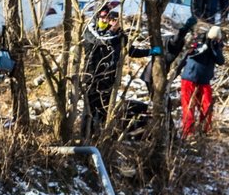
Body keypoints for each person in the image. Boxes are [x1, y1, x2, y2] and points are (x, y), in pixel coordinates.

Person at [82, 9, 150, 138]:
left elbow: (131, 51)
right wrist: (113, 32)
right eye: (103, 17)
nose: (106, 20)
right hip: (91, 78)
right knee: (89, 111)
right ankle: (85, 138)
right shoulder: (91, 30)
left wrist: (150, 52)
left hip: (108, 79)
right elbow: (101, 40)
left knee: (104, 111)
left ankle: (101, 138)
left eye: (110, 19)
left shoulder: (119, 35)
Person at [178, 25, 225, 139]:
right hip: (189, 79)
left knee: (207, 106)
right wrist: (205, 45)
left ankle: (205, 131)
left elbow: (220, 61)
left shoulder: (216, 47)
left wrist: (215, 48)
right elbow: (192, 53)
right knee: (188, 107)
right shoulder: (198, 42)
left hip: (204, 81)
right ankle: (188, 132)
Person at [139, 16, 197, 96]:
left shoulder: (184, 52)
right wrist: (186, 28)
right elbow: (178, 38)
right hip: (155, 73)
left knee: (159, 99)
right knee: (158, 99)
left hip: (157, 72)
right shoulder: (175, 44)